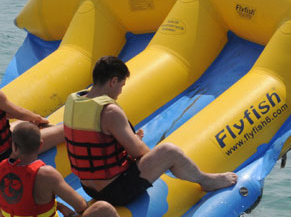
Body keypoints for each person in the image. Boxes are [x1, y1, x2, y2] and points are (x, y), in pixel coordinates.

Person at [63, 56, 238, 206]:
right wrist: (139, 146)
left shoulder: (74, 101)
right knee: (170, 151)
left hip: (89, 188)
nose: (120, 92)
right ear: (113, 81)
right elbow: (140, 153)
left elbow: (94, 139)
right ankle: (206, 181)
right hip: (115, 191)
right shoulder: (109, 111)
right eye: (121, 85)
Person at [0, 122, 160, 217]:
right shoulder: (46, 174)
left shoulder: (2, 168)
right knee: (103, 208)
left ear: (13, 145)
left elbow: (23, 202)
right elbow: (81, 205)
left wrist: (59, 206)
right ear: (41, 145)